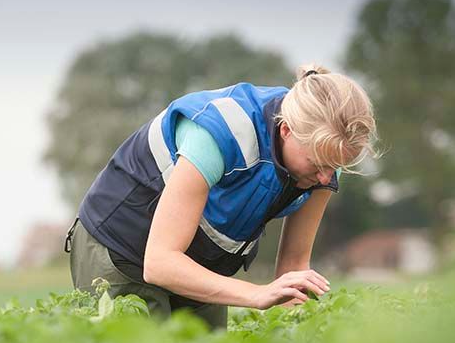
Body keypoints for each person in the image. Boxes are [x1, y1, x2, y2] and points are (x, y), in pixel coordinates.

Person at [65, 64, 378, 329]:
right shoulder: (219, 133)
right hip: (122, 249)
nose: (326, 178)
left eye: (337, 166)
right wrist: (257, 295)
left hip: (199, 260)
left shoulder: (323, 158)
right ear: (286, 132)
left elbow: (294, 266)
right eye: (319, 164)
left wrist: (295, 337)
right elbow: (159, 263)